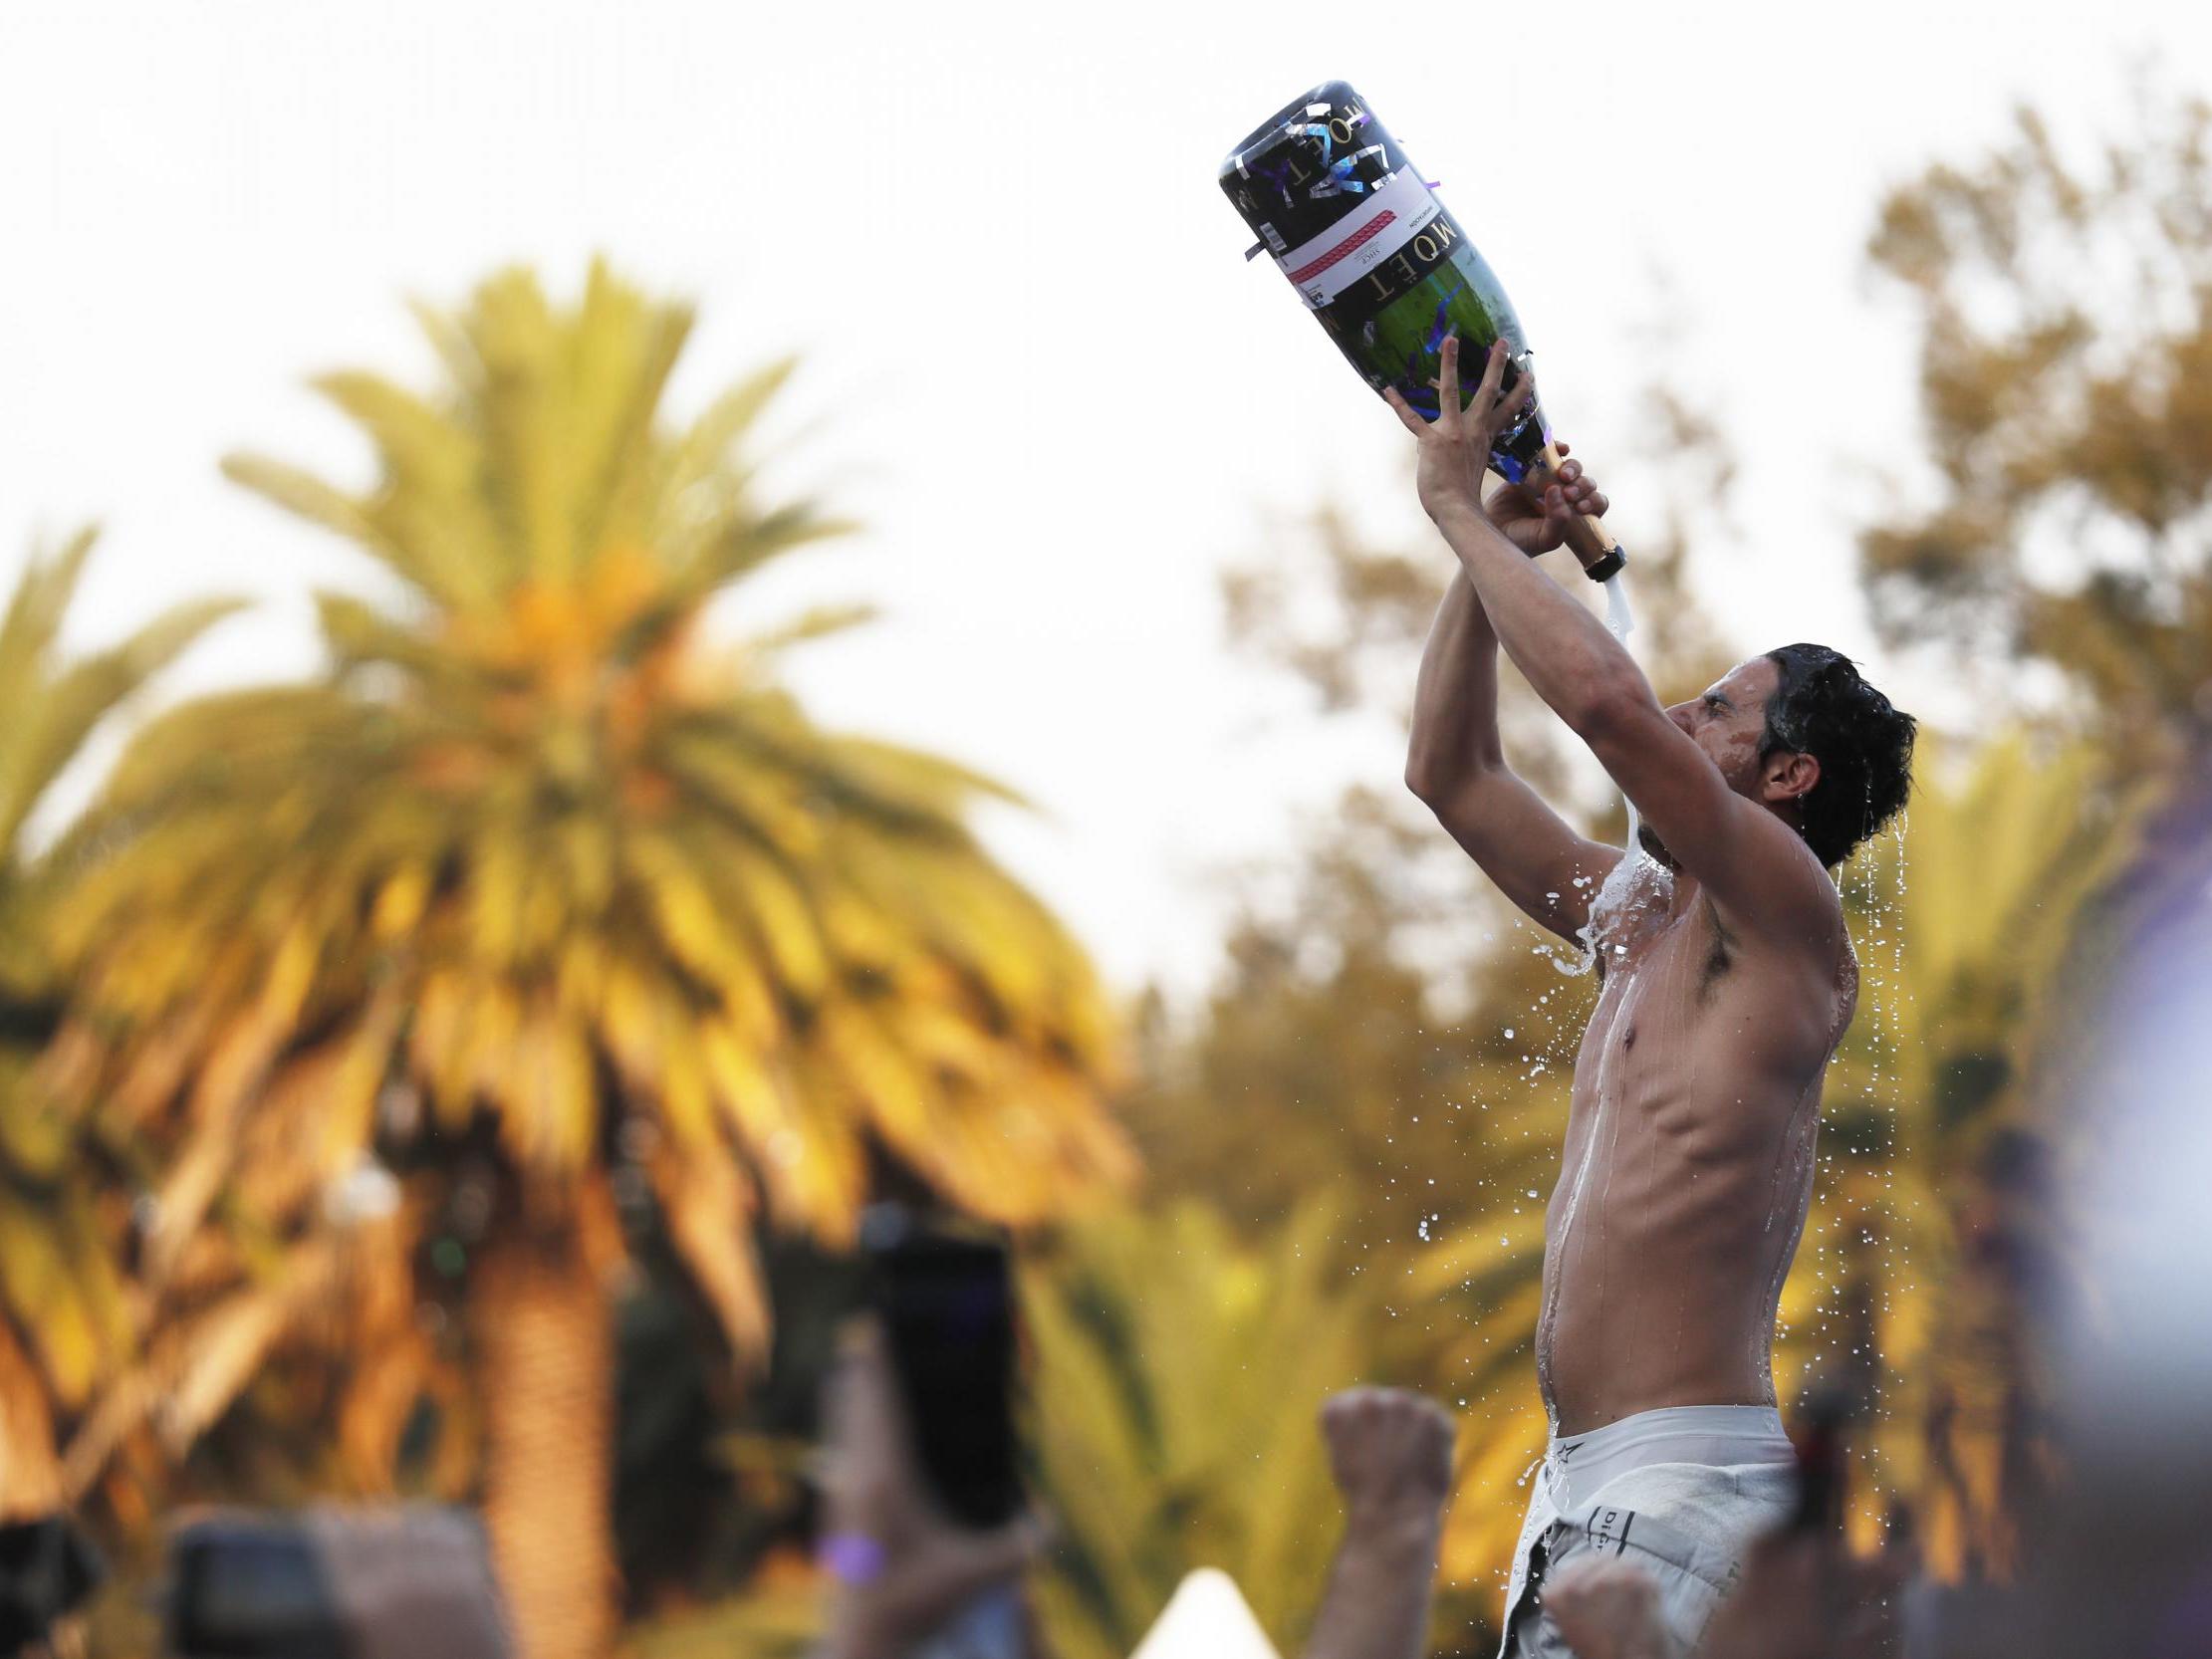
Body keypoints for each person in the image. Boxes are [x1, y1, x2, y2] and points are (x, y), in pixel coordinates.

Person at [1387, 338, 1916, 1657]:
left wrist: (1453, 502)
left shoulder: (1787, 920)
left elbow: (1612, 710)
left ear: (1784, 780)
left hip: (1678, 1494)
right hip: (1585, 1491)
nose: (1683, 715)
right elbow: (1447, 774)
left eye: (1720, 710)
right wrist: (1483, 550)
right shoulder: (1639, 919)